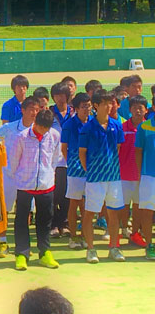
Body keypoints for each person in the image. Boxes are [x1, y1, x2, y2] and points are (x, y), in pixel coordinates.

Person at [10, 109, 61, 271]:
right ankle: (21, 253)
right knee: (22, 220)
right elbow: (14, 160)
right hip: (25, 184)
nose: (43, 131)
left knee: (45, 219)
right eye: (40, 127)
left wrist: (47, 174)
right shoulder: (22, 137)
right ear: (35, 122)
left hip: (46, 185)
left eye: (46, 128)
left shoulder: (54, 136)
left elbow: (55, 158)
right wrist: (19, 176)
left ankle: (44, 252)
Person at [79, 90, 125, 264]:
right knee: (90, 213)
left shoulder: (116, 125)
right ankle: (91, 249)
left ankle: (114, 247)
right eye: (106, 103)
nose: (110, 106)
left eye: (111, 103)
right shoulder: (87, 128)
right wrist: (90, 170)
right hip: (95, 180)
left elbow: (118, 148)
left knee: (114, 214)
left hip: (114, 178)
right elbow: (82, 153)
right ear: (96, 106)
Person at [0, 96, 40, 258]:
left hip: (28, 179)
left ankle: (23, 245)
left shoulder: (38, 130)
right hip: (9, 177)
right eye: (31, 109)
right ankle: (3, 243)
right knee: (4, 211)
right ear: (23, 111)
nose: (34, 112)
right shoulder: (10, 128)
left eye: (37, 109)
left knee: (25, 212)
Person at [61, 93, 91, 250]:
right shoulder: (69, 125)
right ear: (76, 108)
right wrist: (73, 163)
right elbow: (63, 148)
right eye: (84, 106)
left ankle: (85, 236)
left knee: (87, 206)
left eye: (89, 105)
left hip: (92, 172)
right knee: (74, 204)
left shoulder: (94, 122)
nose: (87, 109)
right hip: (74, 172)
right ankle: (73, 237)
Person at [119, 95, 148, 247]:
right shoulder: (122, 128)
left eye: (140, 108)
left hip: (142, 176)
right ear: (130, 109)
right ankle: (124, 228)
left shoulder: (149, 128)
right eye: (134, 107)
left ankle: (135, 232)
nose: (137, 110)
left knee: (138, 206)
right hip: (123, 175)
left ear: (146, 110)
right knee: (123, 206)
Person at [49, 83, 73, 238]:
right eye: (56, 95)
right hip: (53, 162)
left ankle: (64, 224)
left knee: (66, 195)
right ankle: (53, 225)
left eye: (62, 94)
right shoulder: (49, 113)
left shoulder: (74, 112)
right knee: (53, 195)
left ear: (67, 96)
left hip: (70, 161)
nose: (59, 98)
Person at [136, 100, 155, 259]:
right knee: (147, 212)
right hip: (149, 177)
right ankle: (150, 245)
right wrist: (140, 174)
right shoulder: (144, 127)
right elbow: (138, 152)